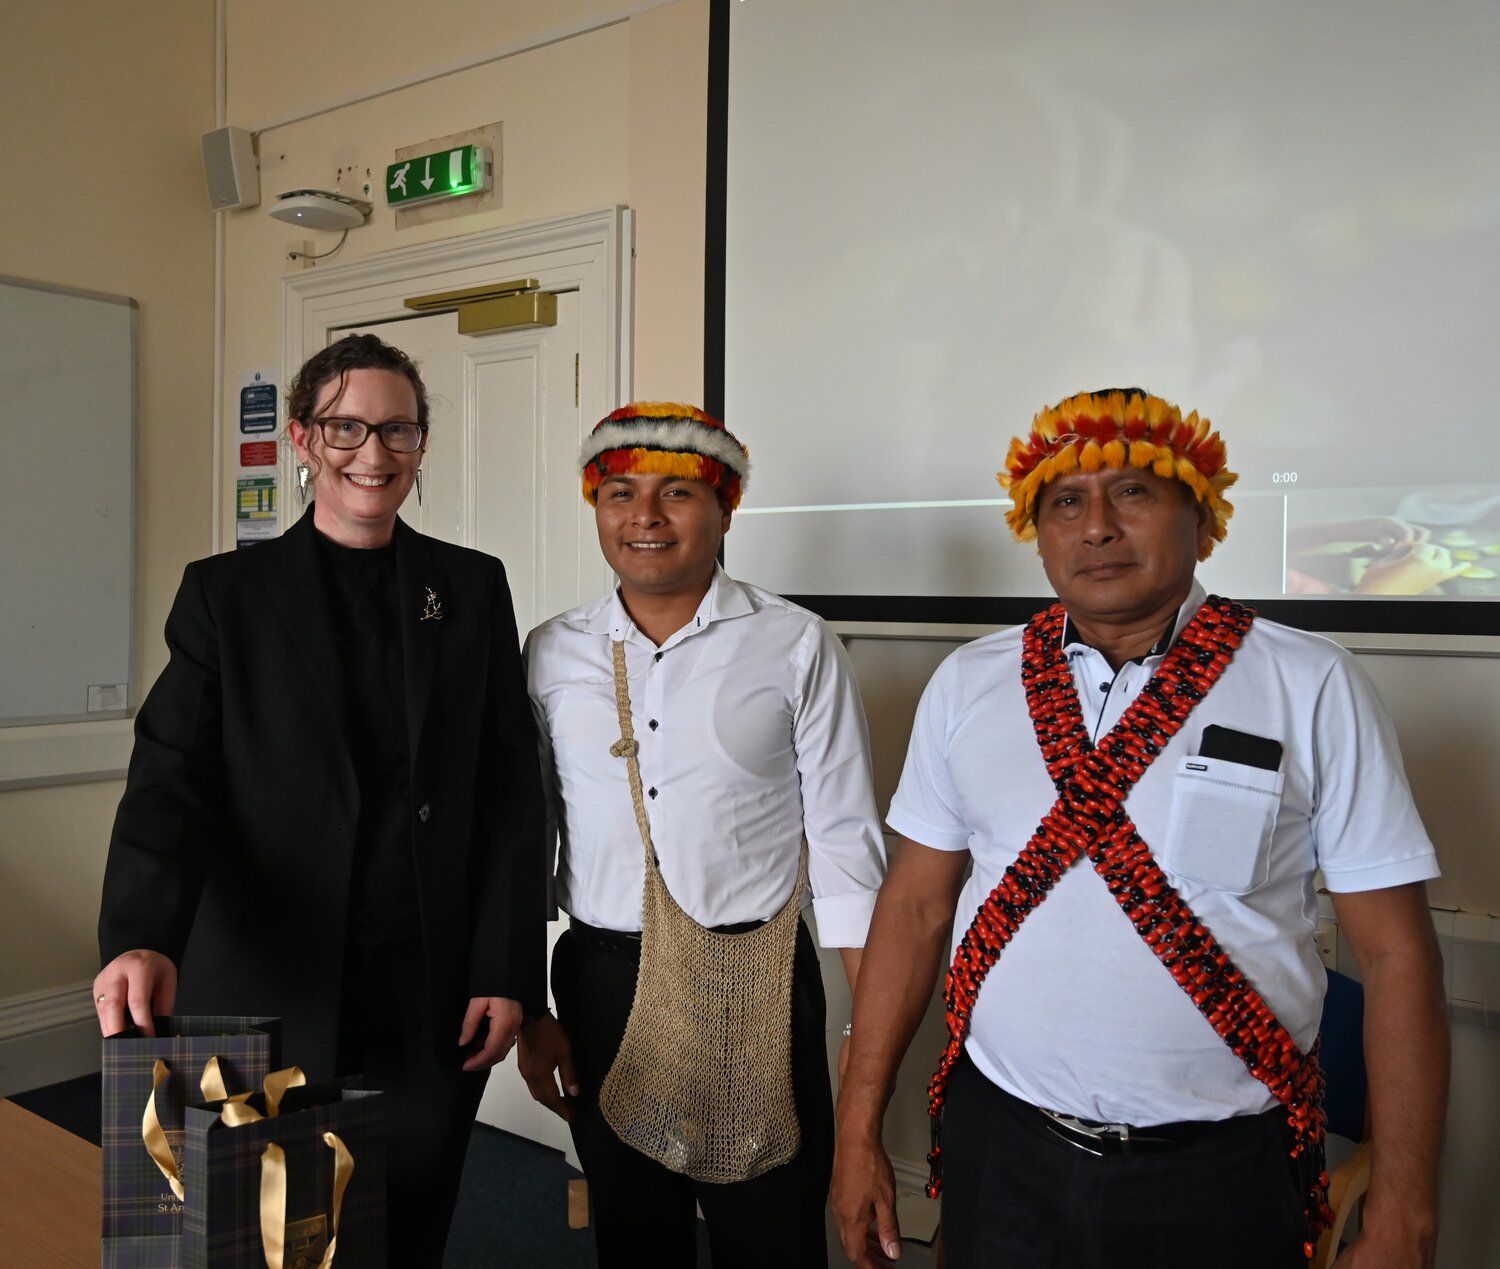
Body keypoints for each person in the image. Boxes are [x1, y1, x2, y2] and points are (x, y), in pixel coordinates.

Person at [831, 389, 1449, 1268]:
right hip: (1001, 1150)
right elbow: (917, 907)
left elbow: (1396, 955)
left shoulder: (1310, 685)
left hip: (1221, 1174)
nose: (1096, 527)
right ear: (1036, 529)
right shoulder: (969, 684)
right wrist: (858, 1127)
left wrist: (1405, 1209)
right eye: (1066, 502)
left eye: (1133, 493)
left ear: (1201, 517)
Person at [94, 333, 546, 1267]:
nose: (372, 453)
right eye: (346, 427)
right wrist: (141, 931)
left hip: (429, 990)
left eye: (396, 429)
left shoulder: (470, 586)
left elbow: (509, 787)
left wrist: (508, 963)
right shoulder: (225, 594)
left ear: (421, 444)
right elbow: (171, 778)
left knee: (405, 1228)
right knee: (262, 1243)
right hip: (270, 977)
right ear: (303, 438)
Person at [518, 403, 887, 1268]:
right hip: (604, 980)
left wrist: (868, 1050)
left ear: (726, 508)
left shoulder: (795, 644)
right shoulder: (552, 650)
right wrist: (530, 1007)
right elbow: (523, 842)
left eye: (676, 491)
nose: (644, 515)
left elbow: (845, 848)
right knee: (635, 1231)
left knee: (771, 1233)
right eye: (619, 492)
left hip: (752, 981)